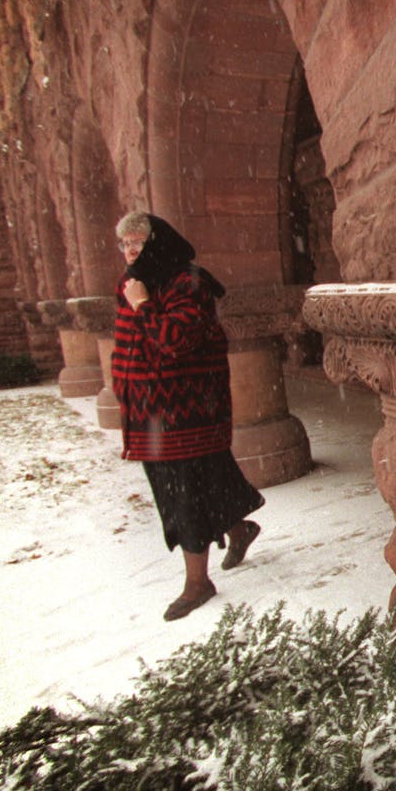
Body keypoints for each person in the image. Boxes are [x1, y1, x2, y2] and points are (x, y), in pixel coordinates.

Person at [110, 211, 264, 620]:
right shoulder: (135, 283)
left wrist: (142, 306)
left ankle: (198, 582)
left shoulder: (187, 282)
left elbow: (175, 340)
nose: (129, 252)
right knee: (207, 478)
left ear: (157, 243)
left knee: (184, 496)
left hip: (183, 412)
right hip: (149, 412)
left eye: (137, 243)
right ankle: (239, 528)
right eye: (124, 245)